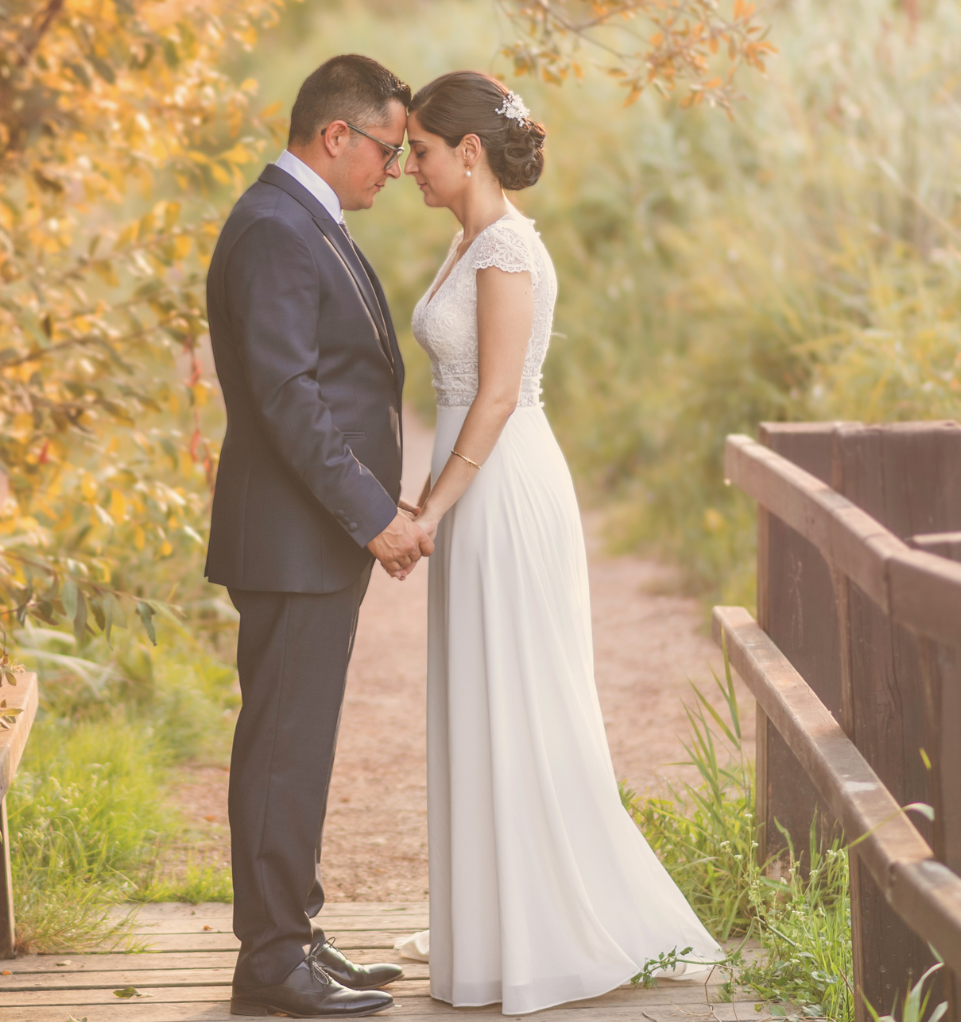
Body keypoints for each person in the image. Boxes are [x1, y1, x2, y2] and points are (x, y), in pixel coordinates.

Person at [393, 70, 727, 1014]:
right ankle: (493, 924)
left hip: (503, 487)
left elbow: (496, 395)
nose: (409, 166)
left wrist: (433, 509)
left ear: (469, 151)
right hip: (473, 485)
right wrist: (427, 506)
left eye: (419, 150)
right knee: (484, 696)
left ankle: (546, 928)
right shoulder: (466, 241)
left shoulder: (504, 246)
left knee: (523, 695)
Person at [204, 54, 424, 1018]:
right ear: (336, 136)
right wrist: (374, 513)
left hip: (309, 541)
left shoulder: (301, 220)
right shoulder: (272, 231)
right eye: (387, 148)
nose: (395, 168)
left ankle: (295, 930)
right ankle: (270, 960)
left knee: (301, 740)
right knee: (283, 746)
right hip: (293, 538)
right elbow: (287, 395)